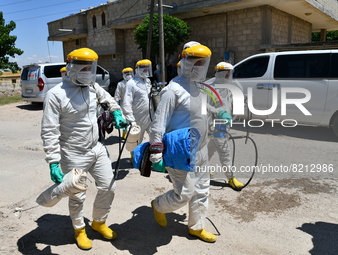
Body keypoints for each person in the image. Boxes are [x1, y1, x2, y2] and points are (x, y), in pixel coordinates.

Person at [41, 48, 127, 250]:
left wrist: (117, 113)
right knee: (77, 196)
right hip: (72, 153)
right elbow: (49, 130)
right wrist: (53, 161)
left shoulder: (92, 87)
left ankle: (98, 222)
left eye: (91, 68)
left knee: (109, 187)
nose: (88, 72)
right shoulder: (55, 95)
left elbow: (109, 99)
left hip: (96, 148)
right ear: (71, 67)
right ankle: (79, 229)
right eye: (84, 68)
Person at [148, 43, 217, 242]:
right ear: (184, 62)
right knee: (184, 193)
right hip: (180, 151)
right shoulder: (173, 90)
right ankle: (158, 205)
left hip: (201, 148)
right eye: (195, 62)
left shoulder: (200, 87)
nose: (199, 67)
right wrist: (156, 152)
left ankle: (196, 226)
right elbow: (158, 124)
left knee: (202, 189)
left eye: (203, 63)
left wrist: (218, 114)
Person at [205, 62, 244, 188]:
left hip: (225, 124)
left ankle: (199, 171)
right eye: (227, 73)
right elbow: (204, 105)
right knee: (224, 151)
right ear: (221, 73)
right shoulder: (209, 86)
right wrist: (218, 112)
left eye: (230, 73)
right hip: (214, 124)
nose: (229, 76)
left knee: (210, 149)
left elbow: (232, 104)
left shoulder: (231, 86)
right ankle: (231, 177)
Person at [121, 59, 154, 145]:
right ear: (137, 69)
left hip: (150, 116)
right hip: (137, 118)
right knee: (136, 142)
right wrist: (131, 119)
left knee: (155, 137)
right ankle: (135, 158)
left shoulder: (148, 81)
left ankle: (151, 157)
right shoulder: (131, 84)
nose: (146, 71)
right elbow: (126, 103)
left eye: (147, 69)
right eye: (144, 69)